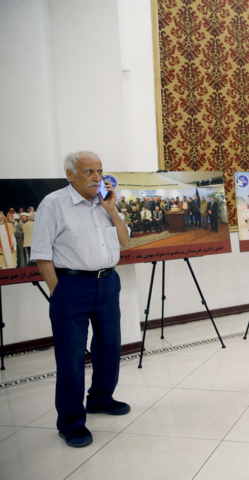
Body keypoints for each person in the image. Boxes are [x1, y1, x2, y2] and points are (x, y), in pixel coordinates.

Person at [30, 151, 131, 448]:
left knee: (109, 347)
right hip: (71, 285)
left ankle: (100, 399)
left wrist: (111, 210)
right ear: (70, 174)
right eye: (89, 171)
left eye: (99, 171)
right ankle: (71, 422)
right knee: (72, 356)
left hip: (108, 282)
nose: (97, 178)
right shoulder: (54, 204)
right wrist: (57, 290)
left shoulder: (105, 201)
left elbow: (125, 240)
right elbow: (41, 252)